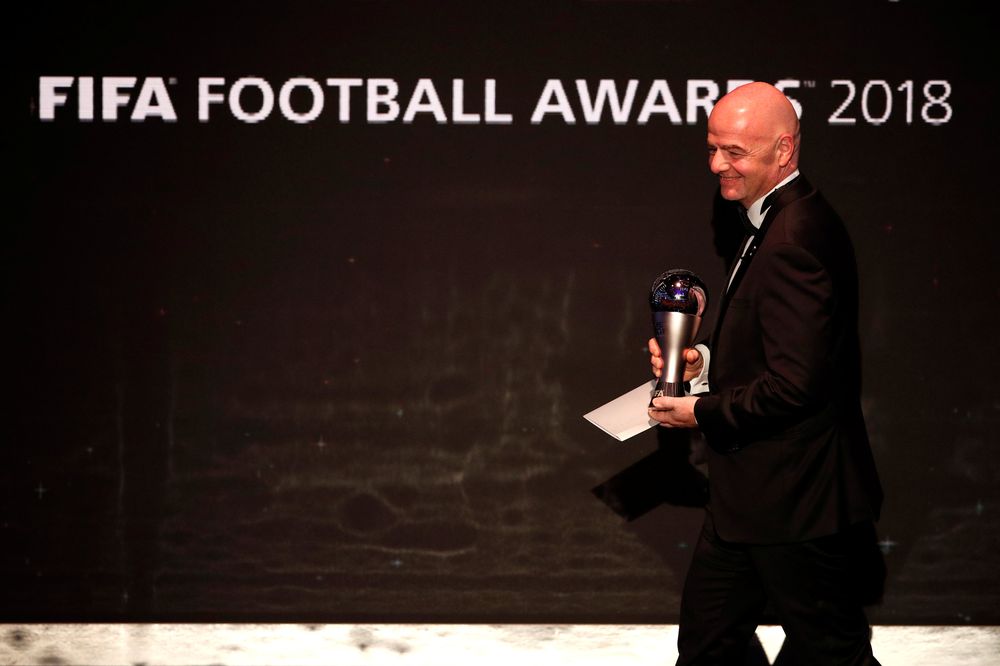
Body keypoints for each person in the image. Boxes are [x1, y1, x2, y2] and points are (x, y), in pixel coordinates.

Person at [647, 82, 884, 665]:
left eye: (735, 152)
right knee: (708, 645)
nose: (717, 165)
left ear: (784, 149)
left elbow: (797, 385)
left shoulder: (793, 237)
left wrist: (699, 411)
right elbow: (784, 351)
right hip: (752, 497)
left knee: (832, 653)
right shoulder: (775, 222)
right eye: (712, 149)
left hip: (793, 500)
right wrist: (704, 364)